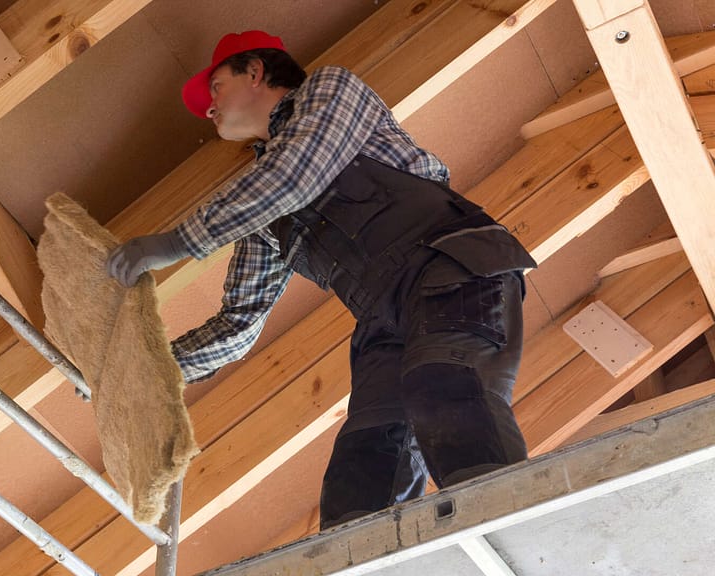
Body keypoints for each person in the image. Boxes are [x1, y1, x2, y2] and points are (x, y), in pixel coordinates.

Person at [106, 30, 537, 529]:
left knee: (445, 385)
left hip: (451, 269)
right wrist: (145, 369)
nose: (209, 108)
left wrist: (174, 244)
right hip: (384, 322)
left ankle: (515, 533)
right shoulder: (262, 211)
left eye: (216, 87)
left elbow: (294, 176)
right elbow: (238, 322)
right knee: (365, 458)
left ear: (255, 72)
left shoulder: (331, 90)